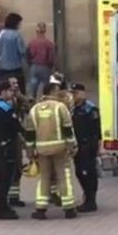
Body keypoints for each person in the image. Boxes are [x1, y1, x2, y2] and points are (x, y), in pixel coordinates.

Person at [28, 82, 78, 220]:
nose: (59, 92)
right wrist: (72, 145)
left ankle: (40, 209)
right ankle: (69, 208)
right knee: (63, 177)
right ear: (53, 91)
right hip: (60, 149)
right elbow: (68, 128)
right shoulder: (60, 107)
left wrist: (30, 150)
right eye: (57, 90)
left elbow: (30, 132)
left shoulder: (35, 109)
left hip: (42, 150)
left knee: (44, 178)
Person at [0, 81, 25, 220]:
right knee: (6, 177)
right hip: (6, 146)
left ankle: (1, 204)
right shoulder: (6, 109)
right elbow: (17, 127)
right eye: (9, 91)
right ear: (2, 92)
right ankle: (3, 208)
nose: (12, 93)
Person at [70, 83, 101, 212]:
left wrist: (99, 146)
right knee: (79, 172)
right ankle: (87, 196)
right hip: (78, 145)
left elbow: (97, 129)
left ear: (83, 94)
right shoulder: (72, 108)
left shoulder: (90, 109)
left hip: (88, 144)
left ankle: (91, 200)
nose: (73, 96)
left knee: (88, 172)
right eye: (72, 93)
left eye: (76, 93)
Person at [7, 76, 32, 207]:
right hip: (13, 138)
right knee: (12, 167)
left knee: (17, 167)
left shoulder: (17, 99)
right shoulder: (7, 102)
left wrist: (21, 96)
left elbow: (31, 106)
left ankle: (14, 196)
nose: (16, 85)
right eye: (13, 84)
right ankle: (9, 198)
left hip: (18, 137)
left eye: (17, 83)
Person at [0, 13, 27, 89]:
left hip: (2, 66)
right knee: (19, 88)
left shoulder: (1, 33)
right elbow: (22, 51)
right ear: (16, 23)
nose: (20, 25)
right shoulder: (17, 35)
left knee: (3, 87)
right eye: (19, 23)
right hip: (15, 67)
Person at [27, 22, 56, 98]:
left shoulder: (31, 43)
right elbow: (51, 57)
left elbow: (27, 55)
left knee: (33, 83)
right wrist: (51, 66)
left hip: (34, 66)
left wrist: (30, 64)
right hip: (45, 66)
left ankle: (32, 99)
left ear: (36, 31)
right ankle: (45, 100)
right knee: (46, 86)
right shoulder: (49, 43)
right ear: (45, 31)